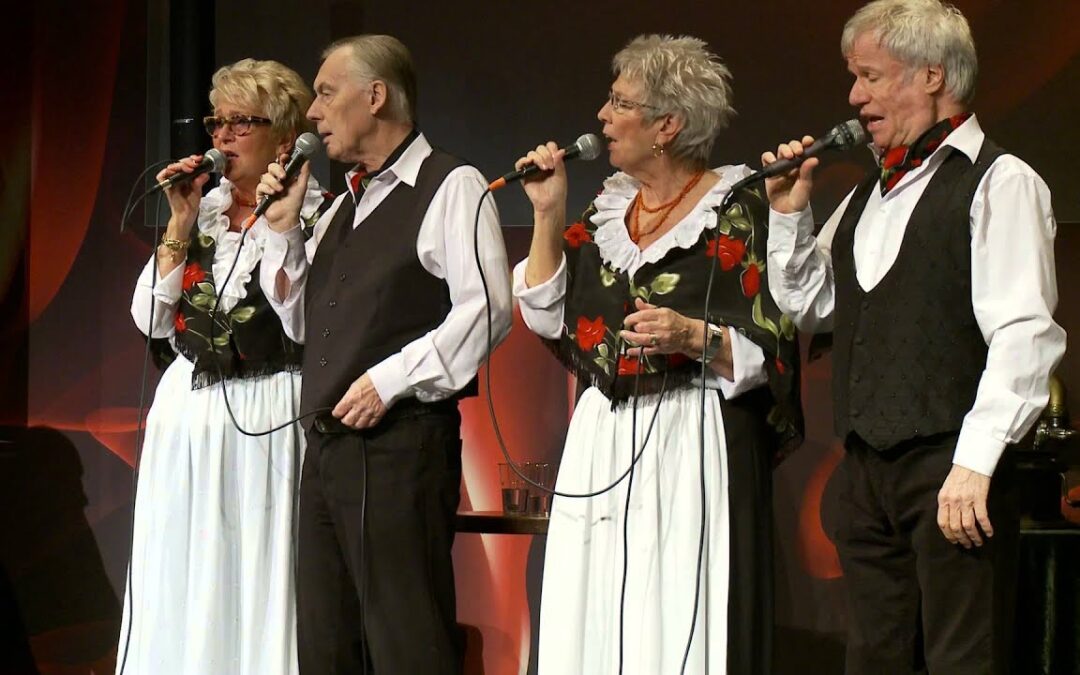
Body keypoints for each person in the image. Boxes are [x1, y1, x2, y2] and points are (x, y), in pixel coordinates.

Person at [762, 1, 1066, 673]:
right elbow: (809, 306)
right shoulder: (871, 192)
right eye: (854, 77)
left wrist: (976, 460)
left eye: (870, 75)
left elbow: (1024, 334)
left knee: (963, 658)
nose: (853, 95)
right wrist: (789, 216)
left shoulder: (1000, 182)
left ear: (932, 76)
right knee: (874, 656)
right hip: (869, 473)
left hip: (953, 469)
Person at [513, 34, 802, 675]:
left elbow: (778, 343)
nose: (602, 117)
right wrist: (547, 213)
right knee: (590, 613)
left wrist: (693, 337)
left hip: (692, 433)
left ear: (667, 125)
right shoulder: (607, 209)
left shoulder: (739, 208)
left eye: (621, 103)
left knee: (676, 612)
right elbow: (548, 315)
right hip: (604, 434)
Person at [255, 35, 512, 675]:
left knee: (405, 642)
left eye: (324, 93)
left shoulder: (452, 185)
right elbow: (304, 324)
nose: (312, 113)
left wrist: (390, 379)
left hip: (400, 447)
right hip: (327, 453)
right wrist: (284, 229)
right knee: (326, 642)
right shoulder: (343, 204)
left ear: (375, 97)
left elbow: (488, 309)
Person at [121, 58, 326, 674]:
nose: (222, 136)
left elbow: (305, 323)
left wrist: (283, 226)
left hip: (270, 406)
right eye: (217, 122)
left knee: (260, 565)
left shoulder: (320, 214)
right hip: (188, 413)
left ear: (285, 140)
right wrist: (180, 222)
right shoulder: (203, 211)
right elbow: (149, 320)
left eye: (242, 122)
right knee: (186, 565)